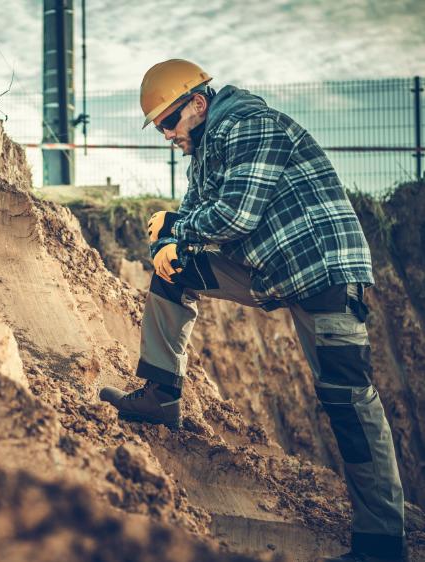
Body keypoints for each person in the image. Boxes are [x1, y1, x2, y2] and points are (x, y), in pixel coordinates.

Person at [99, 59, 406, 562]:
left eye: (169, 122)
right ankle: (161, 395)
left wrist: (180, 227)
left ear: (198, 104)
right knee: (172, 272)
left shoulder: (248, 124)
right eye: (158, 127)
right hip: (272, 269)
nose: (166, 135)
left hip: (322, 269)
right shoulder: (203, 148)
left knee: (347, 398)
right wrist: (174, 232)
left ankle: (381, 545)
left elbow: (236, 215)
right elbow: (202, 217)